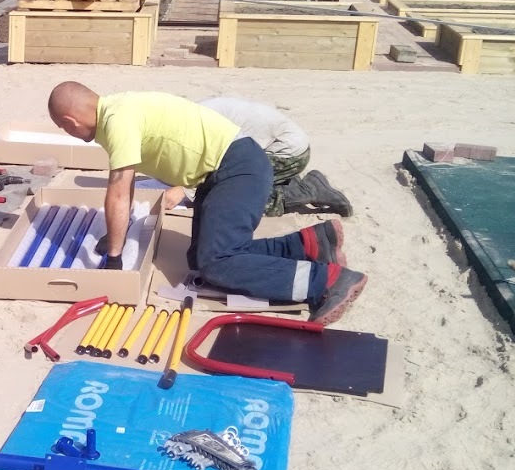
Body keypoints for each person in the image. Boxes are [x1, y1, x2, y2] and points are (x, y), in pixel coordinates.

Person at [45, 82, 366, 326]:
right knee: (202, 258)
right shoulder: (118, 110)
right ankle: (311, 242)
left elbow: (117, 190)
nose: (69, 132)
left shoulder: (117, 120)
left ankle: (327, 281)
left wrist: (114, 263)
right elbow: (124, 188)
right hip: (225, 169)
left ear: (70, 122)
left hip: (236, 168)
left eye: (64, 128)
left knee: (218, 262)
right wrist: (115, 237)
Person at [159, 96, 352, 218]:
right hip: (282, 144)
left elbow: (215, 165)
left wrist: (184, 191)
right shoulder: (193, 112)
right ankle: (286, 180)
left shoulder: (200, 124)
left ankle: (308, 190)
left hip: (288, 153)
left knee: (229, 199)